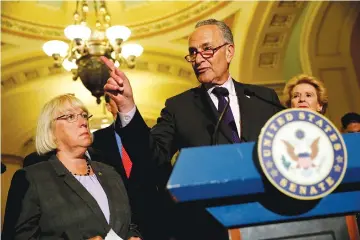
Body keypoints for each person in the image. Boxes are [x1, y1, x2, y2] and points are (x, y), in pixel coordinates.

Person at [102, 19, 281, 240]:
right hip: (208, 228)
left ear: (229, 51)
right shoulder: (179, 107)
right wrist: (128, 106)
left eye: (207, 49)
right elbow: (152, 157)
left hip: (269, 220)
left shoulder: (264, 99)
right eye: (193, 52)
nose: (198, 59)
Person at [2, 94, 142, 240]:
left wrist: (133, 236)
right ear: (50, 131)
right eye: (70, 117)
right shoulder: (31, 179)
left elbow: (129, 223)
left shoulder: (110, 172)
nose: (83, 122)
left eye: (84, 115)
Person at [92, 94, 167, 240]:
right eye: (115, 99)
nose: (120, 101)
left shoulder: (148, 135)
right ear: (108, 107)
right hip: (120, 220)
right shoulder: (97, 140)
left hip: (154, 214)